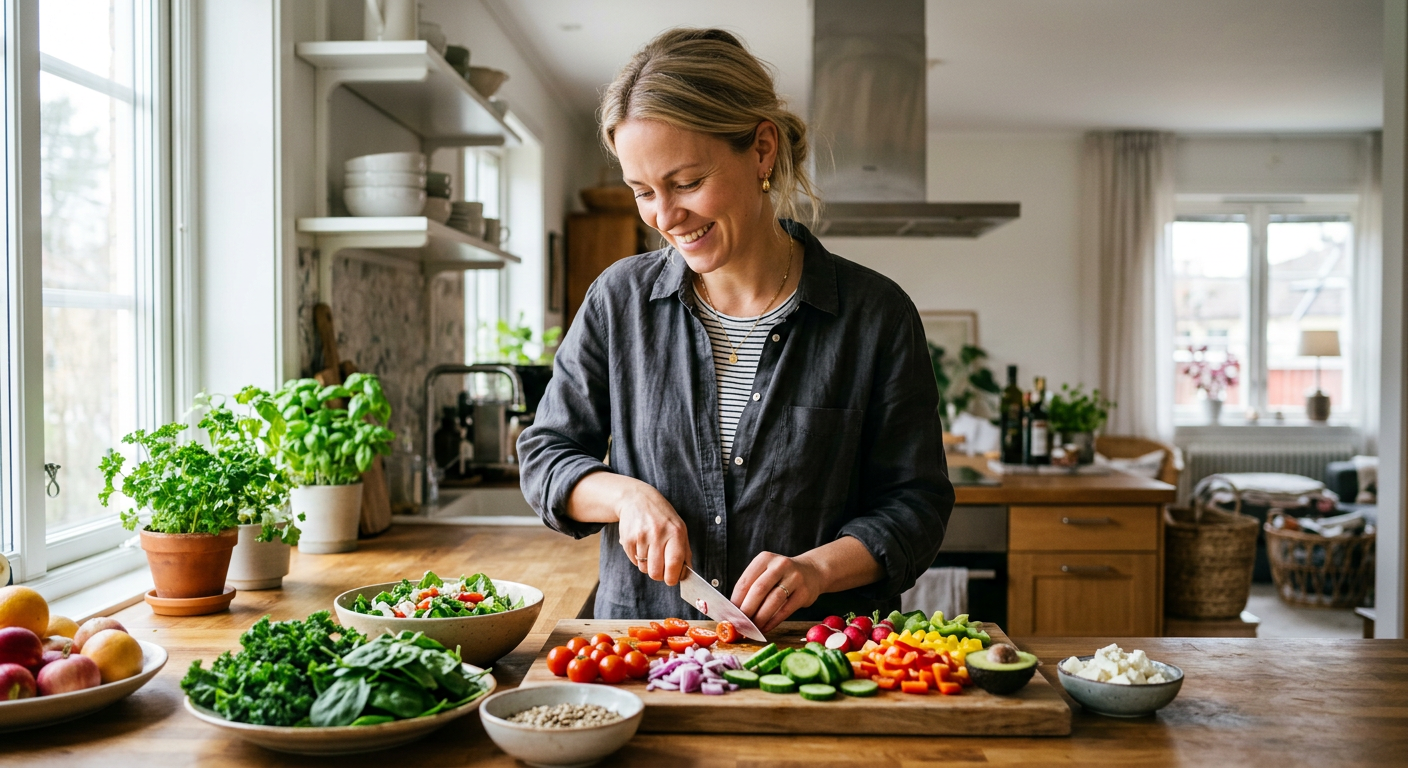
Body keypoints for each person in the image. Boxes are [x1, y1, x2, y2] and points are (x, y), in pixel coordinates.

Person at [519, 28, 953, 632]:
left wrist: (818, 572)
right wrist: (625, 496)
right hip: (646, 651)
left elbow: (916, 504)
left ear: (762, 150)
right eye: (643, 192)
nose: (665, 218)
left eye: (687, 183)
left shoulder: (875, 315)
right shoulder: (618, 301)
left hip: (819, 659)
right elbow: (545, 456)